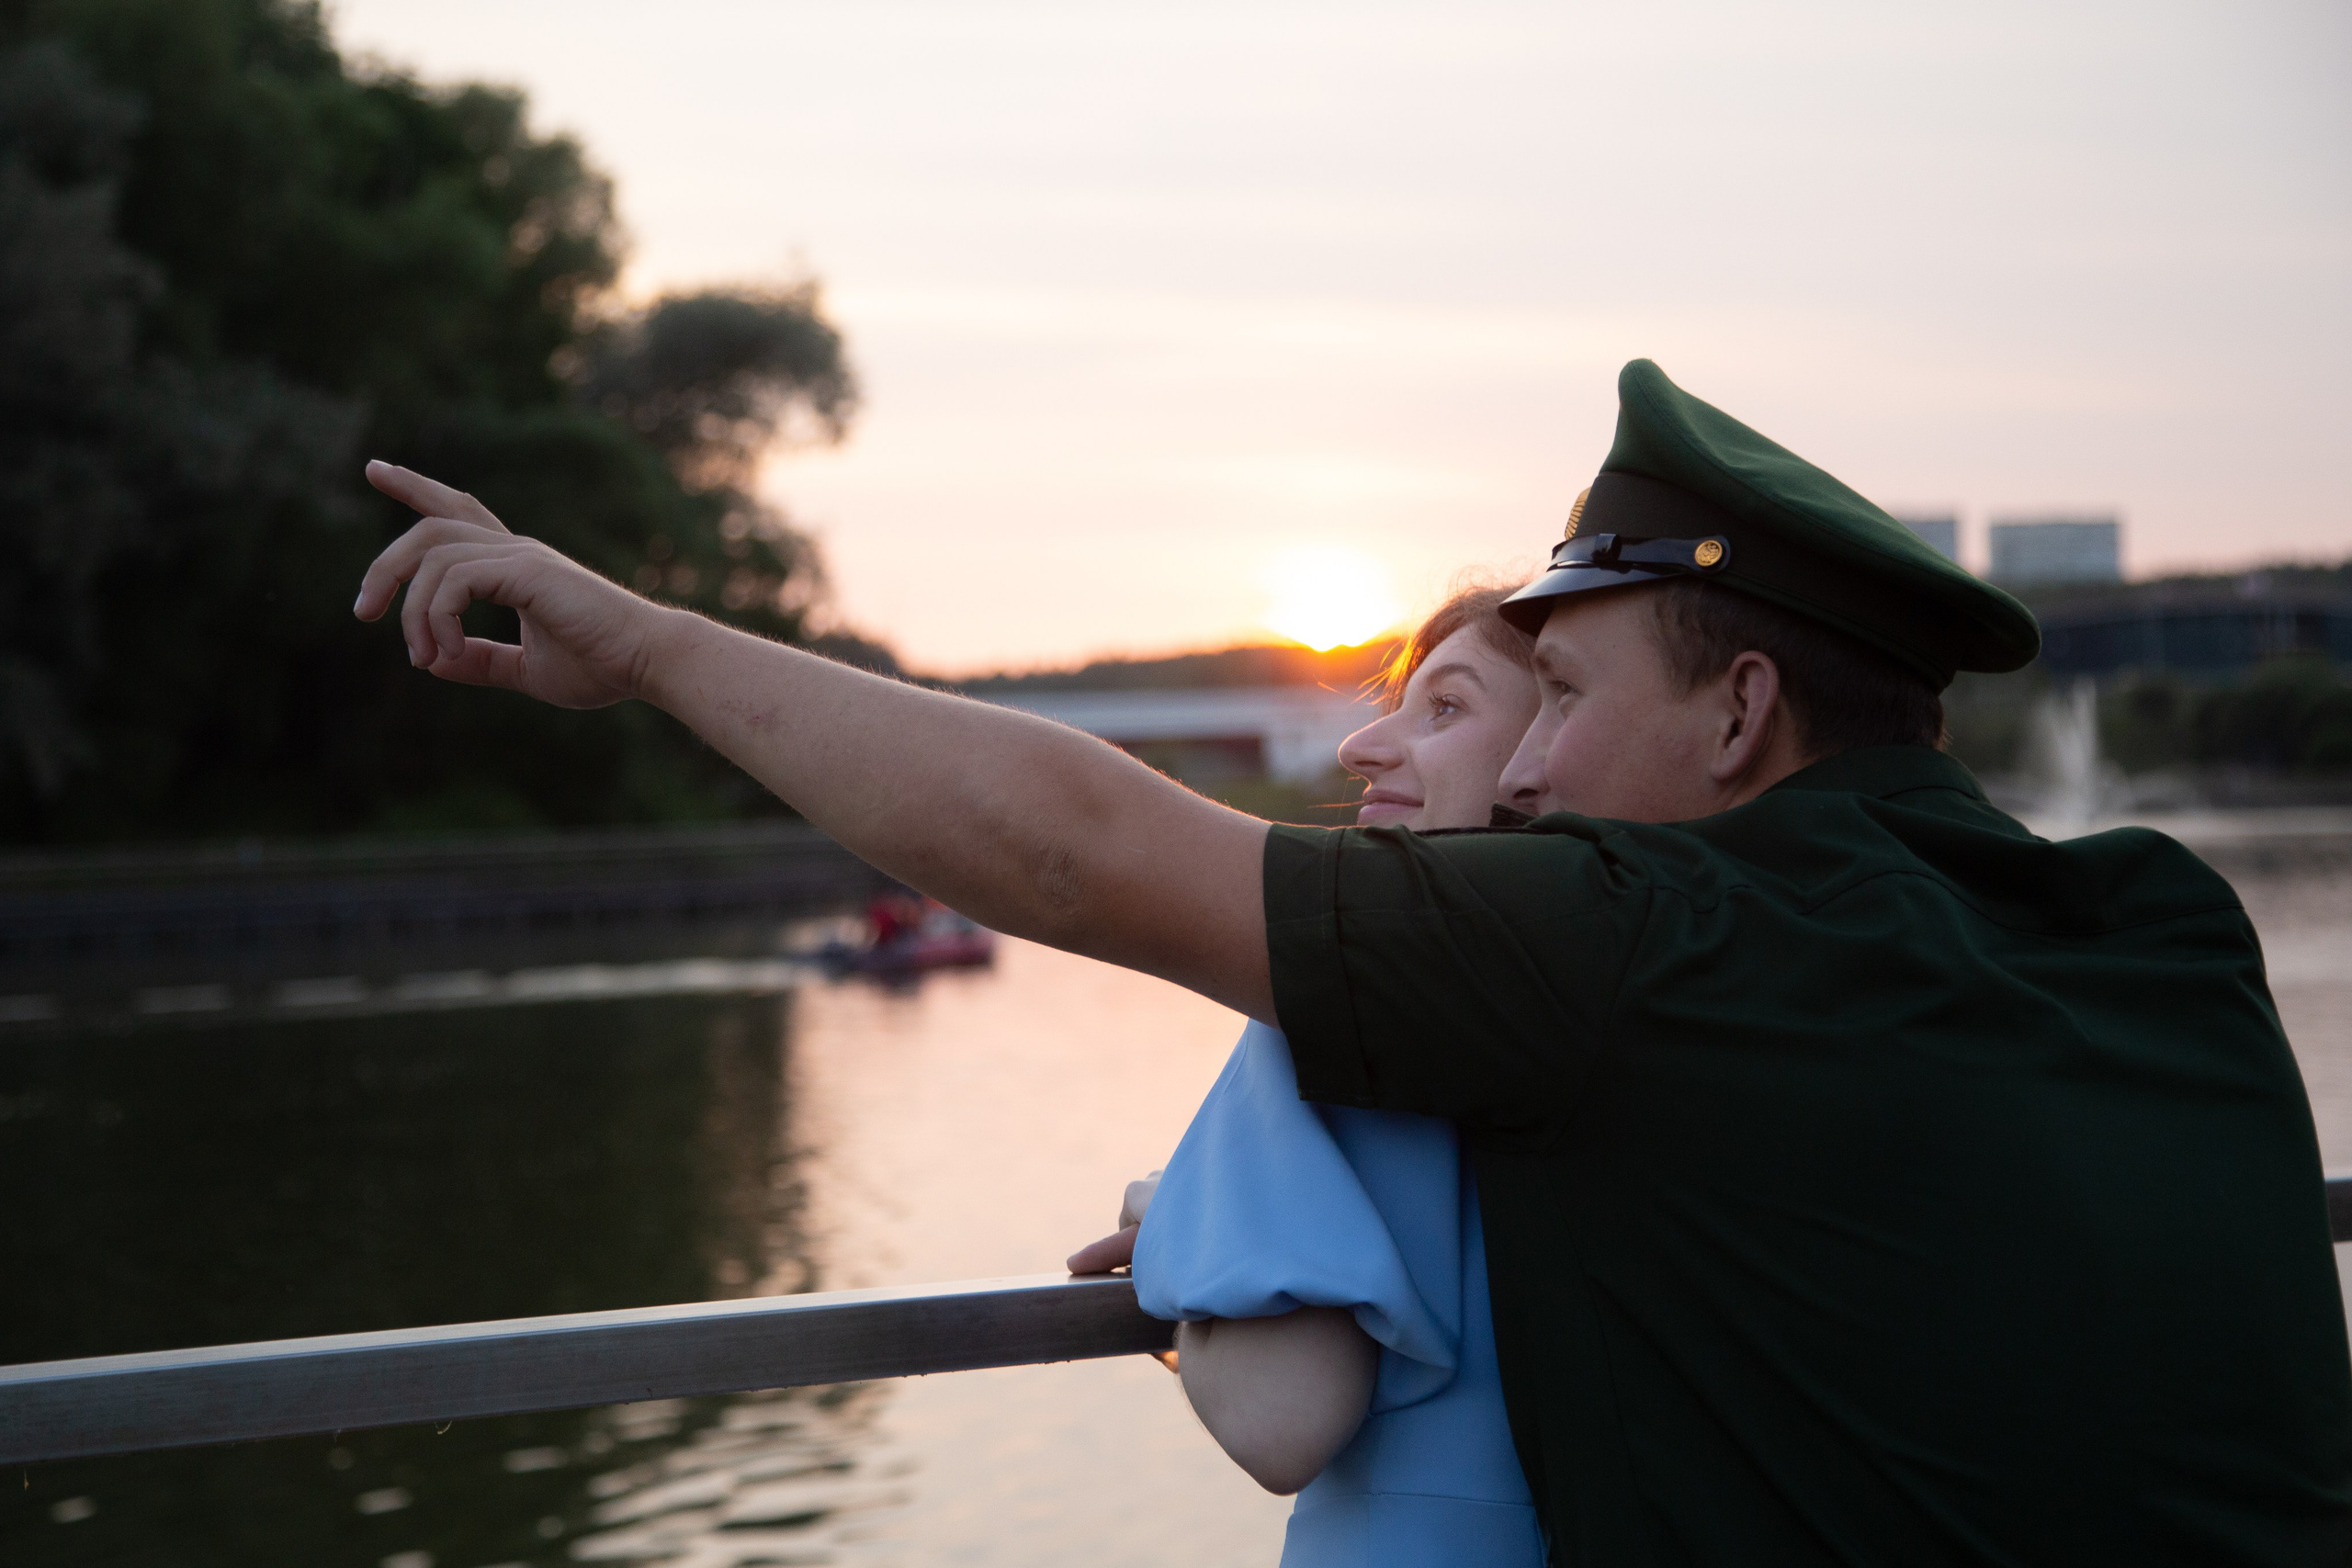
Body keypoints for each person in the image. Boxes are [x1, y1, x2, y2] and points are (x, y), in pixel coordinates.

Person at [353, 357, 2352, 1564]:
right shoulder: (2158, 923)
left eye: (1553, 692)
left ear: (1739, 714)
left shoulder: (1637, 930)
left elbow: (1076, 841)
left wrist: (638, 640)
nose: (1533, 763)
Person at [1065, 584, 1548, 1564]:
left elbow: (1279, 1421)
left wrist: (1184, 1225)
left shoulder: (1341, 1004)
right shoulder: (1691, 990)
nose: (1357, 749)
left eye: (1445, 707)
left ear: (1560, 746)